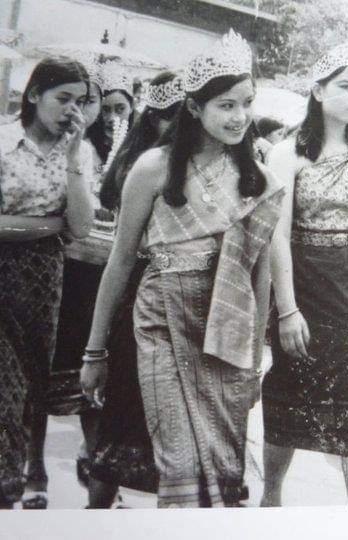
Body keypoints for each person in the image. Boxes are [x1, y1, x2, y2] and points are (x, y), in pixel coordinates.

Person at [82, 29, 284, 508]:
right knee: (179, 461)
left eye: (246, 103)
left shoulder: (260, 178)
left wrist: (254, 362)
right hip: (161, 323)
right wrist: (94, 351)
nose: (240, 117)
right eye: (226, 106)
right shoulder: (153, 167)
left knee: (220, 464)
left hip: (229, 333)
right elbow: (121, 260)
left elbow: (260, 279)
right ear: (194, 108)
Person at [260, 40, 348, 506]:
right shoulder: (288, 153)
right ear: (318, 90)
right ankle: (270, 499)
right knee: (289, 398)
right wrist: (288, 309)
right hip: (304, 287)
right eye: (345, 86)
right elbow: (277, 237)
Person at [82, 71, 184, 508]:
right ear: (155, 119)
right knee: (122, 415)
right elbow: (124, 253)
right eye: (170, 118)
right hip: (139, 292)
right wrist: (95, 348)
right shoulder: (144, 164)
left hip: (185, 305)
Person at [0, 56, 94, 509]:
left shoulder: (78, 151)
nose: (72, 111)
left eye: (80, 101)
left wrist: (75, 158)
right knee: (4, 386)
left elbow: (78, 226)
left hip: (42, 284)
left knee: (31, 384)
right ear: (34, 95)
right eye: (63, 98)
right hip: (3, 270)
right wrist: (45, 226)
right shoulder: (3, 140)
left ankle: (17, 477)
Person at [42, 60, 135, 494]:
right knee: (46, 369)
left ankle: (94, 458)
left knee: (95, 373)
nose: (111, 117)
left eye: (121, 108)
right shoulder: (68, 145)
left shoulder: (131, 153)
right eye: (104, 105)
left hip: (104, 274)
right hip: (65, 267)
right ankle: (32, 463)